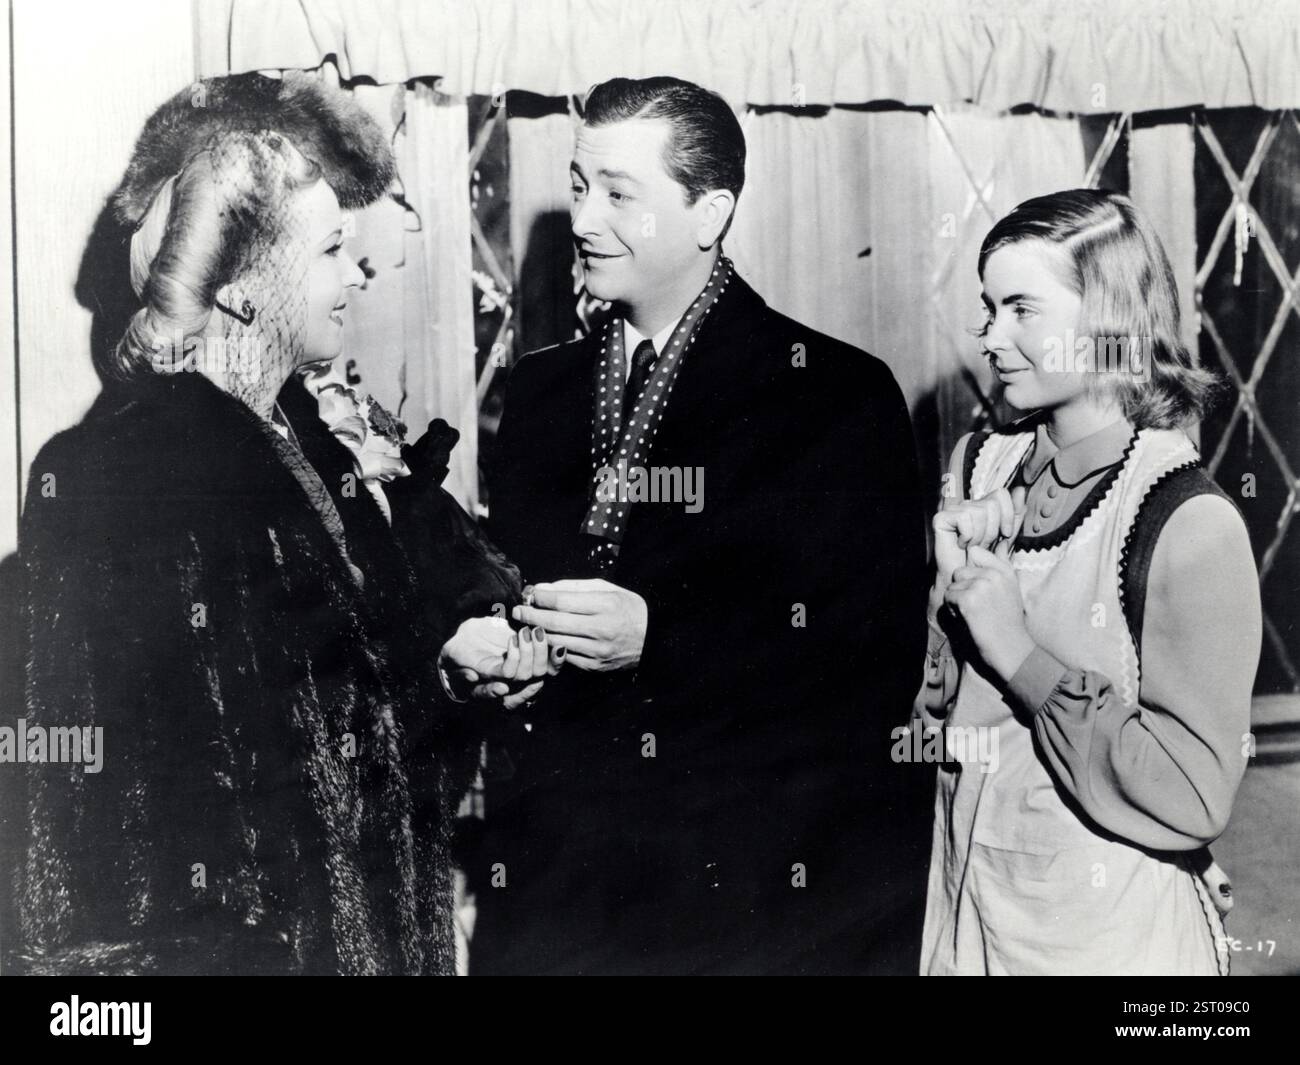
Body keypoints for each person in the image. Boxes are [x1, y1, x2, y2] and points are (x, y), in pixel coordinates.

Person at [11, 72, 550, 975]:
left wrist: (449, 686)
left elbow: (341, 755)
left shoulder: (310, 452)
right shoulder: (120, 479)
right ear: (245, 290)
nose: (360, 271)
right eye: (334, 248)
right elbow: (77, 864)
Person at [477, 76, 929, 974]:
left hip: (748, 897)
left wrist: (661, 639)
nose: (584, 217)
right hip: (561, 888)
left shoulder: (832, 395)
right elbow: (515, 579)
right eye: (577, 185)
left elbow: (871, 663)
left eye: (619, 194)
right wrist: (501, 654)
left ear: (709, 211)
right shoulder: (539, 392)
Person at [915, 189, 1261, 975]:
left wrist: (1017, 651)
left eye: (1022, 309)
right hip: (966, 912)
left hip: (1103, 941)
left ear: (1107, 320)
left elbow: (1195, 795)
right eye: (988, 307)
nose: (992, 338)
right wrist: (943, 611)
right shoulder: (977, 468)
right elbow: (936, 725)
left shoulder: (1185, 523)